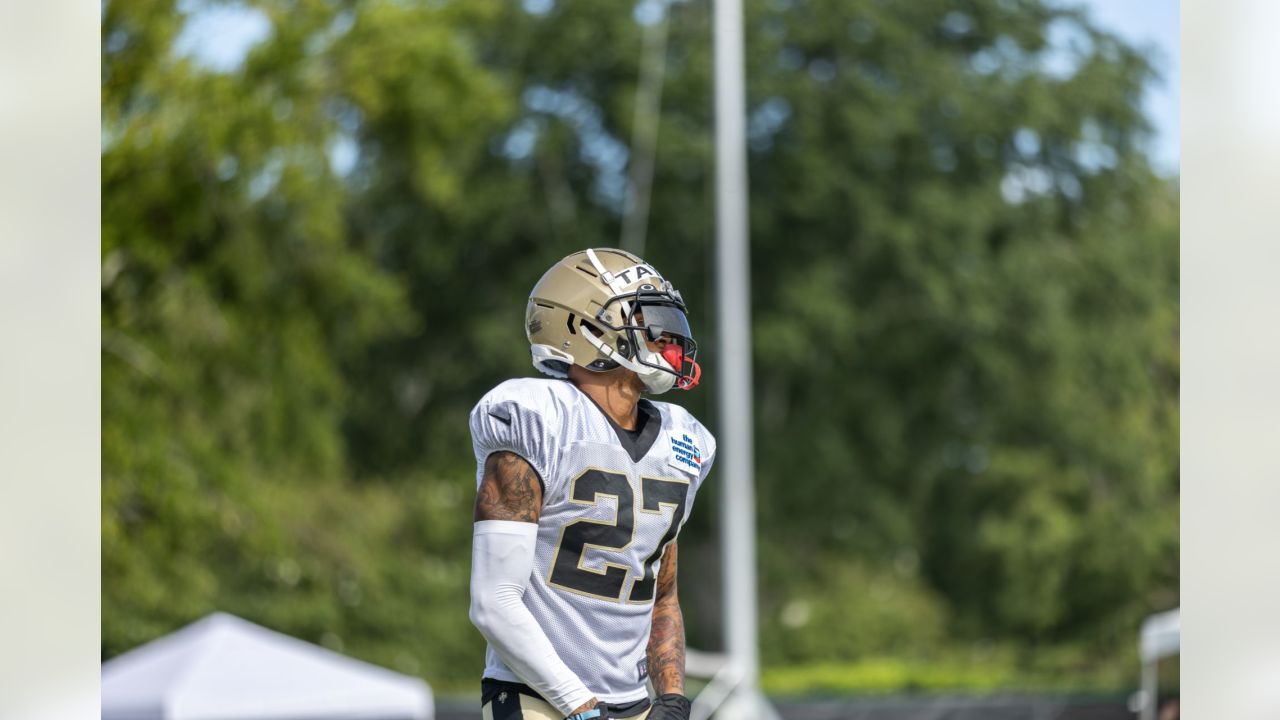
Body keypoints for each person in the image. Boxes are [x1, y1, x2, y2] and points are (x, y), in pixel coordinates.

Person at [468, 248, 714, 720]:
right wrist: (580, 708)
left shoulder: (685, 442)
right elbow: (492, 602)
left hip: (632, 704)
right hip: (538, 698)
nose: (668, 338)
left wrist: (673, 698)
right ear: (585, 328)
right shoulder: (536, 417)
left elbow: (661, 593)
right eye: (649, 320)